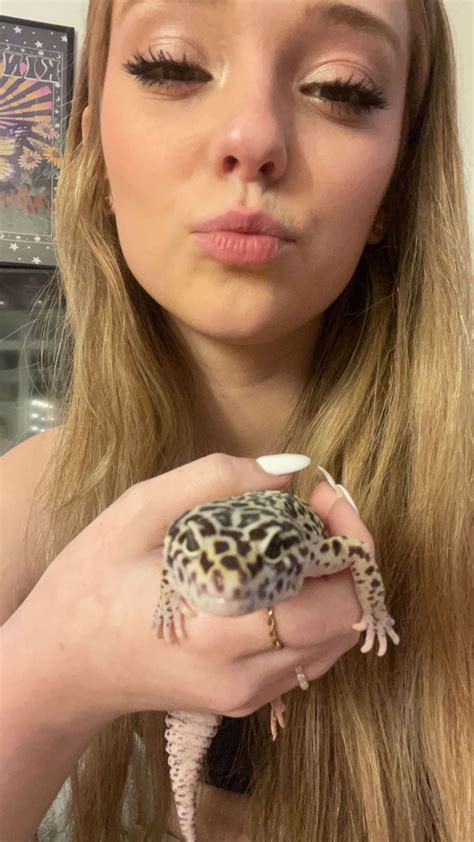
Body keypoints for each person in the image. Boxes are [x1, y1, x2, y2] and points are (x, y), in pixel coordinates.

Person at [0, 0, 470, 840]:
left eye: (341, 87)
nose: (252, 139)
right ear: (91, 154)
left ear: (398, 185)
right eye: (171, 66)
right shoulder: (21, 507)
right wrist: (45, 681)